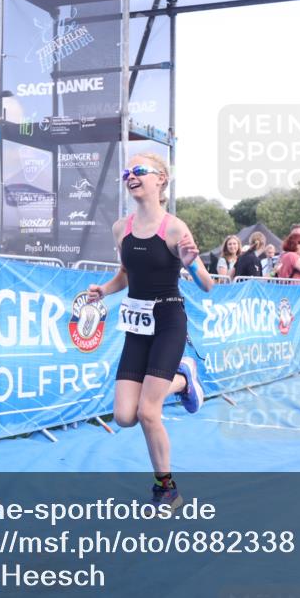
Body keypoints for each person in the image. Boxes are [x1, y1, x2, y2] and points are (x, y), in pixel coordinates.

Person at [87, 153, 213, 509]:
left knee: (148, 412)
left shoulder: (174, 227)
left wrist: (191, 265)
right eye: (128, 171)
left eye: (140, 170)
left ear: (162, 180)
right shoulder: (120, 228)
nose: (131, 175)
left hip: (169, 323)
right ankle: (184, 379)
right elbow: (125, 274)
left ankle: (167, 489)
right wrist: (104, 290)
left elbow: (207, 285)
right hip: (136, 327)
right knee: (125, 416)